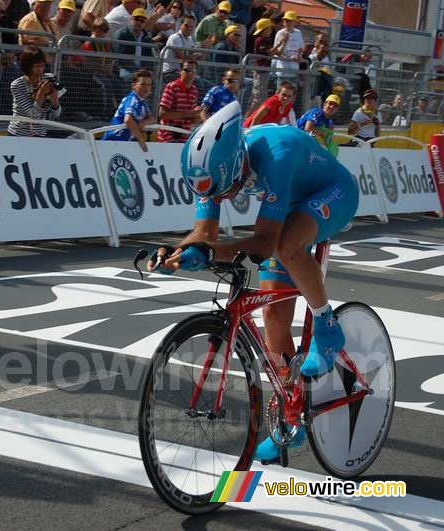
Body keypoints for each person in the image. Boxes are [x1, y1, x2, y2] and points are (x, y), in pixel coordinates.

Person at [148, 101, 359, 462]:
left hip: (331, 192)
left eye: (220, 192)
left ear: (238, 165)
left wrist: (211, 252)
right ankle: (288, 421)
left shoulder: (275, 154)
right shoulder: (210, 168)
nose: (215, 199)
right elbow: (204, 231)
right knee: (273, 319)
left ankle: (327, 326)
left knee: (287, 244)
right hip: (288, 203)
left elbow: (263, 243)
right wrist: (175, 252)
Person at [7, 46, 61, 136]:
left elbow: (57, 114)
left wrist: (55, 100)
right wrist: (41, 93)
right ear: (27, 66)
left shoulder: (49, 79)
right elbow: (33, 115)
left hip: (40, 134)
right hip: (18, 134)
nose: (39, 70)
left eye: (42, 65)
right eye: (35, 66)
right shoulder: (17, 85)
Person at [101, 69, 155, 151]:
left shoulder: (142, 102)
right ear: (133, 85)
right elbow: (128, 120)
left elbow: (152, 119)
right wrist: (140, 139)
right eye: (142, 84)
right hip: (112, 141)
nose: (146, 88)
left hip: (123, 143)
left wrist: (143, 122)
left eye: (149, 85)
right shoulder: (132, 99)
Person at [157, 59, 202, 143]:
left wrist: (197, 116)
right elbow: (162, 114)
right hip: (168, 137)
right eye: (187, 70)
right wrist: (189, 114)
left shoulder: (194, 90)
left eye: (193, 70)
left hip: (184, 137)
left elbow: (192, 118)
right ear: (180, 71)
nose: (190, 73)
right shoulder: (172, 86)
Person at [271, 10, 302, 86]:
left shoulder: (298, 32)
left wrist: (299, 56)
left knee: (292, 93)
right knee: (280, 93)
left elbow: (301, 48)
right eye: (286, 21)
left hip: (294, 69)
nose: (288, 23)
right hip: (282, 69)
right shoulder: (280, 33)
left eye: (290, 21)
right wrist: (288, 57)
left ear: (294, 22)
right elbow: (276, 52)